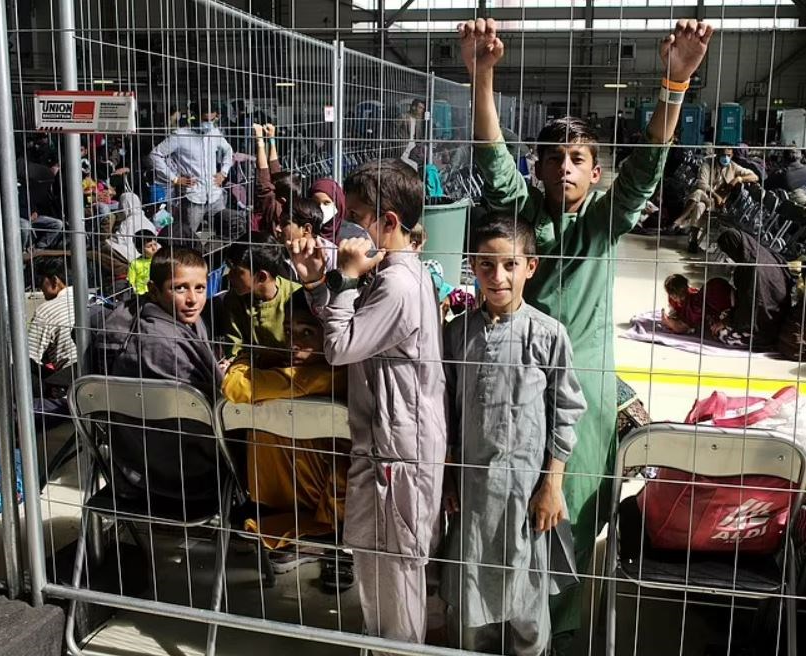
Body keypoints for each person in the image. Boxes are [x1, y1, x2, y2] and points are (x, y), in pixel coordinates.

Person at [458, 17, 714, 651]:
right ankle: (505, 620)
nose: (566, 168)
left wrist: (675, 82)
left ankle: (555, 629)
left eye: (578, 159)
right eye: (554, 158)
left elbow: (647, 169)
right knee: (503, 503)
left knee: (570, 507)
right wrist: (482, 76)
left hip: (586, 394)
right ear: (538, 169)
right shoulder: (524, 217)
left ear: (595, 173)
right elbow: (492, 162)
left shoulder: (604, 222)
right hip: (518, 380)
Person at [287, 159, 446, 652]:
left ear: (389, 222)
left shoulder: (397, 284)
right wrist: (320, 283)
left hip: (397, 456)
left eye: (356, 215)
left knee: (394, 577)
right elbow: (352, 329)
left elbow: (339, 347)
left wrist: (347, 279)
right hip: (382, 447)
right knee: (375, 569)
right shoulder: (391, 275)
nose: (346, 227)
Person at [441, 216, 586, 656]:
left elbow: (566, 411)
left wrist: (553, 484)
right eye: (486, 265)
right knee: (470, 601)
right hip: (472, 490)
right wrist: (449, 475)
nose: (497, 276)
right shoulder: (457, 333)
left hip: (527, 492)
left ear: (530, 267)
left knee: (527, 599)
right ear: (473, 266)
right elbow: (448, 410)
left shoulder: (548, 335)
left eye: (509, 264)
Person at [221, 289, 352, 586]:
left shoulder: (326, 376)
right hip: (316, 506)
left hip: (316, 510)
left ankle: (316, 547)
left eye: (308, 332)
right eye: (290, 331)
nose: (296, 343)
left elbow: (236, 386)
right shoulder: (314, 371)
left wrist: (243, 359)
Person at [90, 248, 223, 503]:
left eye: (200, 288)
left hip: (131, 466)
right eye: (180, 288)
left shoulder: (143, 318)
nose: (193, 299)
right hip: (186, 473)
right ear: (153, 290)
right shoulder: (162, 344)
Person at [150, 106, 240, 239]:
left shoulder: (214, 132)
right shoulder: (180, 135)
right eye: (205, 119)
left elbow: (228, 150)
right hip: (193, 197)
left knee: (224, 233)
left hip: (215, 195)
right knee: (188, 236)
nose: (209, 123)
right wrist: (174, 178)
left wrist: (224, 172)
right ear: (194, 116)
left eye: (212, 119)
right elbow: (155, 155)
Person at [222, 233, 302, 359]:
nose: (230, 276)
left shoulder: (297, 297)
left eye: (237, 272)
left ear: (261, 277)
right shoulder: (234, 299)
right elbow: (234, 347)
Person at [711, 227, 793, 349]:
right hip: (779, 319)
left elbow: (751, 304)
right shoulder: (765, 255)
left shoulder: (752, 268)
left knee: (721, 332)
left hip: (765, 327)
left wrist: (728, 322)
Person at [674, 145, 759, 252]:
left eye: (728, 155)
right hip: (707, 197)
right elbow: (702, 183)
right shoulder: (708, 163)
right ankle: (693, 241)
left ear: (732, 155)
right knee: (700, 203)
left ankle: (680, 220)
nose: (726, 158)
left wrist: (739, 178)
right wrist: (716, 195)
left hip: (719, 204)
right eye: (723, 155)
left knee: (698, 197)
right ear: (717, 154)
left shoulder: (733, 167)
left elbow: (755, 176)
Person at [27, 258, 77, 373]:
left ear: (55, 280)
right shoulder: (94, 299)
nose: (40, 289)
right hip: (100, 373)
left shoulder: (46, 310)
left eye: (41, 282)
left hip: (71, 376)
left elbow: (30, 357)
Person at [253, 123, 303, 232]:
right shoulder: (290, 204)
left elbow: (263, 173)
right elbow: (276, 172)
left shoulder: (273, 205)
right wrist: (271, 139)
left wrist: (259, 140)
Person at [661, 273, 733, 336]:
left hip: (719, 301)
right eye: (675, 297)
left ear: (686, 289)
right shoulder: (674, 301)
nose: (679, 300)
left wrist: (667, 320)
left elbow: (681, 327)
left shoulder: (694, 302)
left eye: (682, 296)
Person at [278, 198, 337, 273]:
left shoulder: (331, 257)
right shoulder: (278, 251)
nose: (278, 229)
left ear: (306, 229)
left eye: (285, 224)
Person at [309, 178, 346, 243]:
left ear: (338, 204)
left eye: (326, 203)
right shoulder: (306, 232)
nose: (321, 208)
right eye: (315, 203)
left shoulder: (351, 235)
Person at [127, 229, 160, 296]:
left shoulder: (159, 259)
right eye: (149, 246)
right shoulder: (135, 263)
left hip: (157, 293)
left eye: (155, 244)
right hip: (141, 294)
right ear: (140, 249)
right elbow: (131, 281)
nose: (154, 248)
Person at [401, 98, 428, 171]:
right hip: (403, 146)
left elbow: (419, 136)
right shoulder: (403, 117)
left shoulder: (418, 120)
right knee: (411, 166)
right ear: (413, 107)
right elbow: (394, 131)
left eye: (423, 108)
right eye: (420, 108)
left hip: (413, 147)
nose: (422, 110)